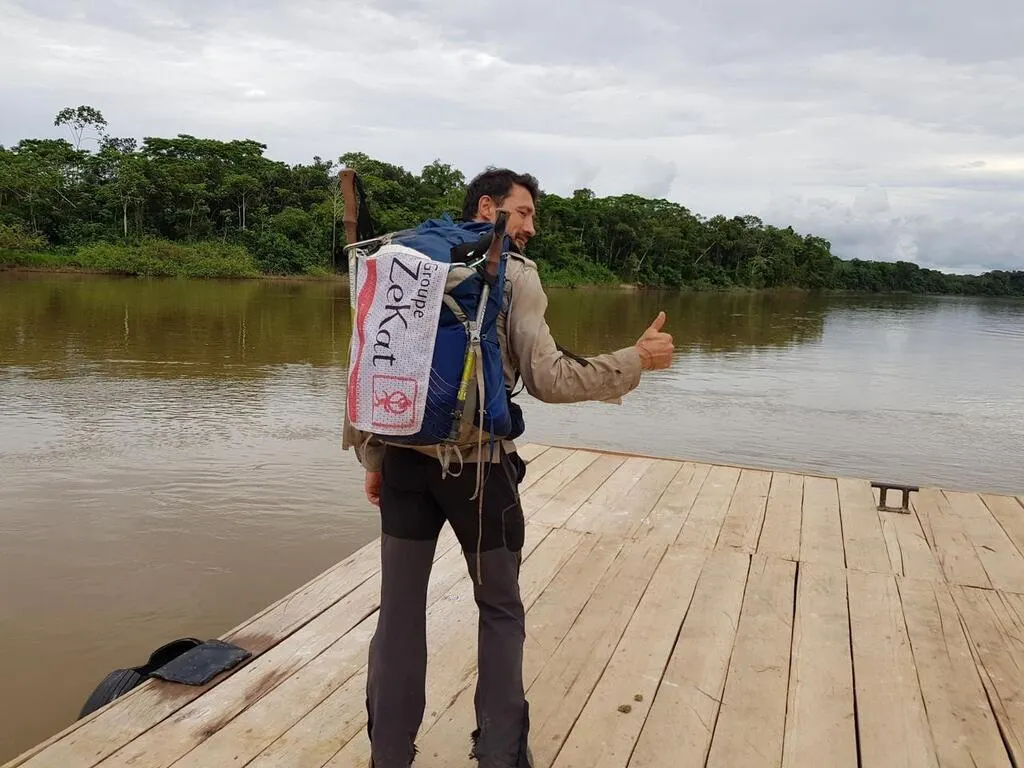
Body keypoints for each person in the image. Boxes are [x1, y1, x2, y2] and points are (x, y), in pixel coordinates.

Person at [342, 167, 674, 768]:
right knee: (499, 609)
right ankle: (499, 755)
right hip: (479, 473)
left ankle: (388, 755)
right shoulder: (512, 272)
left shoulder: (402, 262)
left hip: (403, 465)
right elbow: (548, 378)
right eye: (523, 213)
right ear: (487, 207)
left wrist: (373, 456)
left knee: (399, 613)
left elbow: (370, 360)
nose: (530, 228)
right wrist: (636, 360)